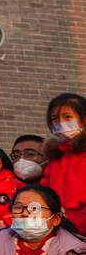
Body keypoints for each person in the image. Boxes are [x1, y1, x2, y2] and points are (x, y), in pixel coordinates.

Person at [41, 93, 86, 236]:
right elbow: (44, 193)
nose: (60, 123)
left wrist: (73, 222)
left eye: (67, 117)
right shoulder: (55, 159)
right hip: (57, 227)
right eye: (54, 119)